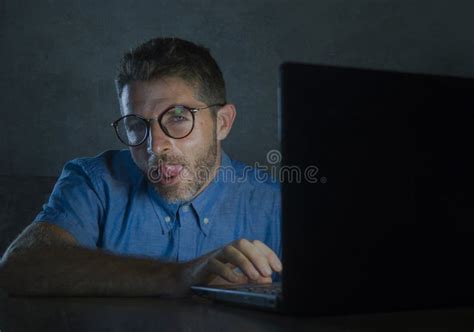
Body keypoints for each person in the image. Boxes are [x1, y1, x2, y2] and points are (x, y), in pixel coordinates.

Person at [0, 37, 282, 296]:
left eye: (178, 117)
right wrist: (181, 276)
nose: (155, 146)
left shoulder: (276, 205)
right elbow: (19, 266)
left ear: (222, 123)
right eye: (136, 124)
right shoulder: (93, 182)